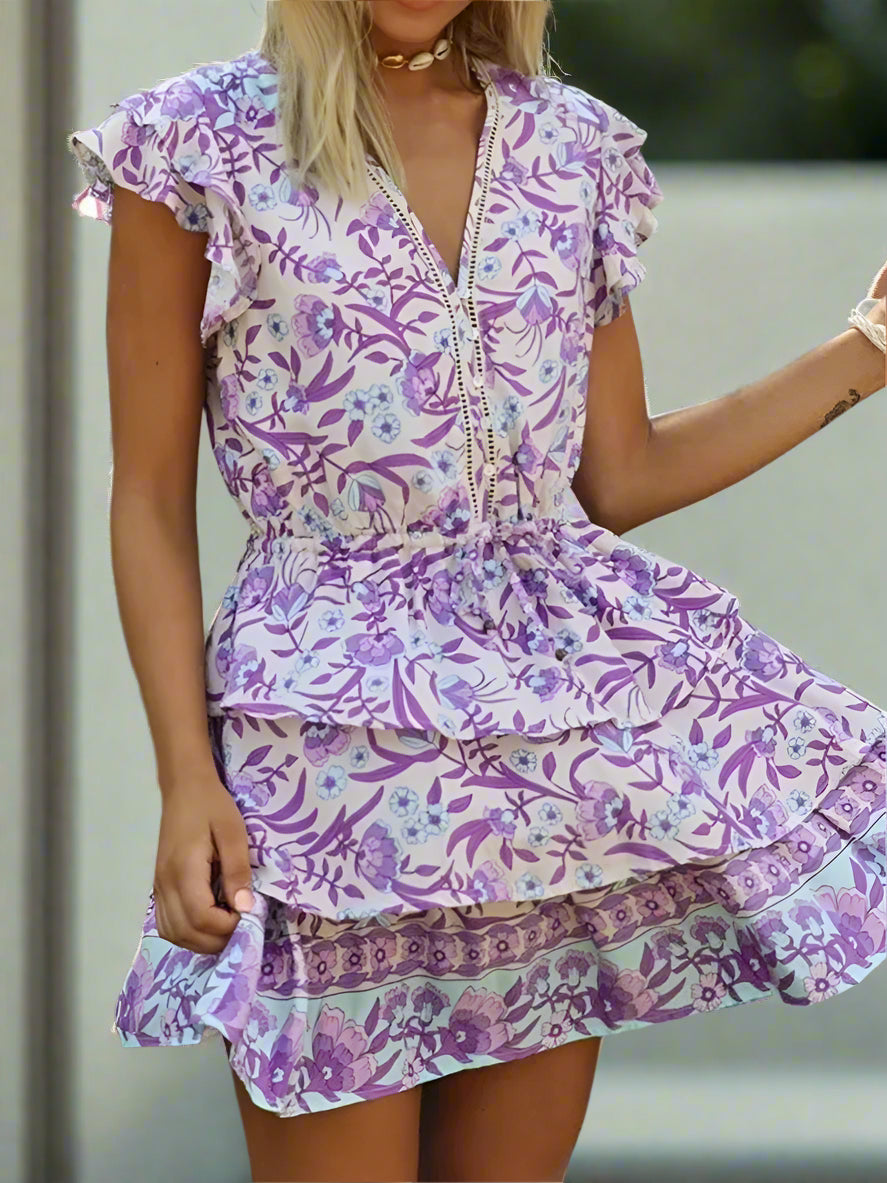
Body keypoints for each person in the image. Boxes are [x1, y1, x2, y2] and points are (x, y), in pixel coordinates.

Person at [67, 1, 886, 1180]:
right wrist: (184, 778)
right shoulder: (193, 145)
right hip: (321, 767)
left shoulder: (572, 147)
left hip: (545, 757)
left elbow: (619, 474)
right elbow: (147, 494)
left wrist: (866, 347)